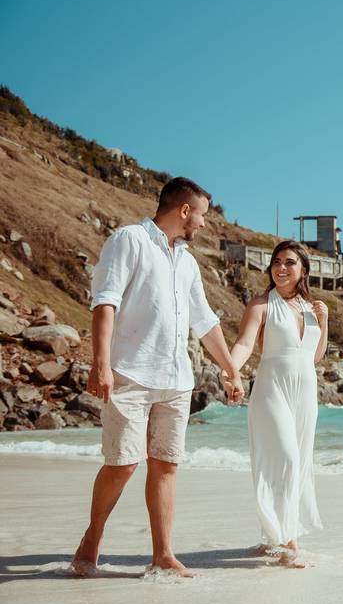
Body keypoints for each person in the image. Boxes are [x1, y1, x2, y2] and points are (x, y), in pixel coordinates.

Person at [71, 177, 244, 578]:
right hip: (130, 372)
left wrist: (231, 369)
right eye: (201, 215)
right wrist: (101, 364)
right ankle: (91, 540)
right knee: (123, 464)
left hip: (176, 379)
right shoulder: (128, 240)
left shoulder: (187, 262)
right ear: (185, 210)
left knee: (166, 465)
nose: (203, 224)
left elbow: (205, 322)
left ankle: (163, 554)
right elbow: (105, 302)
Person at [223, 240, 328, 568]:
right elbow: (243, 343)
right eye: (276, 262)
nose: (281, 268)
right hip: (272, 388)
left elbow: (316, 357)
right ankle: (288, 542)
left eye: (290, 262)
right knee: (285, 457)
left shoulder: (312, 308)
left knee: (298, 464)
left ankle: (277, 535)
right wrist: (231, 371)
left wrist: (325, 323)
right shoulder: (261, 305)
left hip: (306, 391)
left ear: (304, 270)